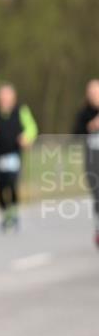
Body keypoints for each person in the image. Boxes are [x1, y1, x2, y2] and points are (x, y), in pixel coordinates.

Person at [0, 82, 38, 233]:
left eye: (7, 96)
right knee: (0, 187)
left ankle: (14, 213)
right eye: (2, 97)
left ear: (13, 97)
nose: (4, 99)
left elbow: (32, 128)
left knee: (12, 183)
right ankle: (5, 215)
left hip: (14, 155)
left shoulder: (21, 111)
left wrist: (27, 137)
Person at [72, 79, 99, 248]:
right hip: (92, 163)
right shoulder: (83, 114)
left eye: (96, 93)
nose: (94, 96)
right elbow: (75, 135)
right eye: (91, 94)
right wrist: (90, 126)